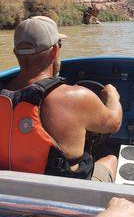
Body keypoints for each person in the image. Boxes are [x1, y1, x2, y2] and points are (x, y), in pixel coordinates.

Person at [0, 16, 122, 182]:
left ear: (15, 53)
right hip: (63, 200)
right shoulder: (76, 97)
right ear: (54, 51)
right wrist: (112, 95)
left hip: (10, 195)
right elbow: (114, 123)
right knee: (110, 158)